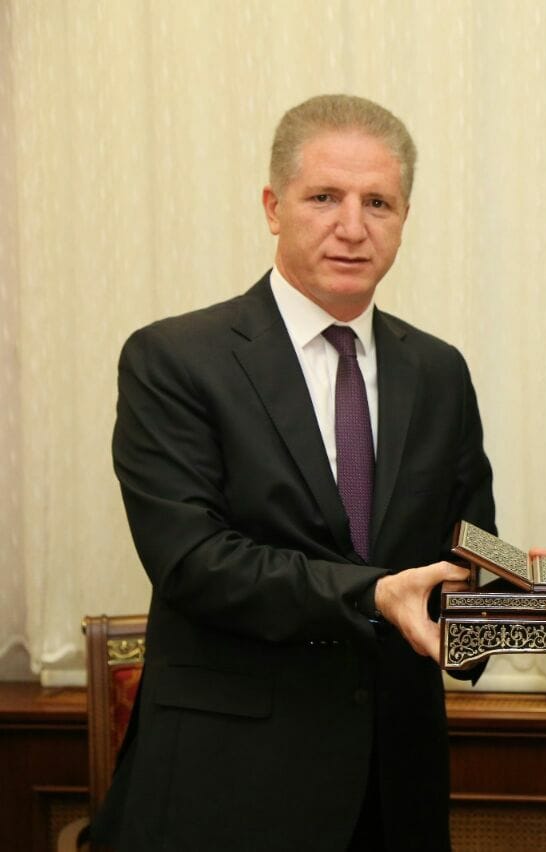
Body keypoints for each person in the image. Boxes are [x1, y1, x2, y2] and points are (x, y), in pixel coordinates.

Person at [95, 94, 496, 851]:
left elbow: (462, 550)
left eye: (377, 202)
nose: (352, 226)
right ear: (273, 207)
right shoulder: (175, 360)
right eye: (324, 197)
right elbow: (192, 562)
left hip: (395, 786)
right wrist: (373, 593)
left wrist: (526, 594)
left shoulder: (439, 371)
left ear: (405, 217)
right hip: (230, 785)